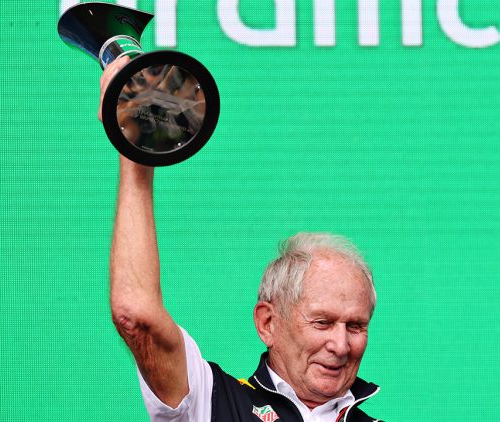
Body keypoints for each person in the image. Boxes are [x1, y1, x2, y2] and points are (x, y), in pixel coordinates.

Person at [102, 56, 382, 422]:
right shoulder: (210, 401)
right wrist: (135, 151)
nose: (341, 345)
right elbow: (136, 315)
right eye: (322, 322)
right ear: (268, 323)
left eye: (355, 326)